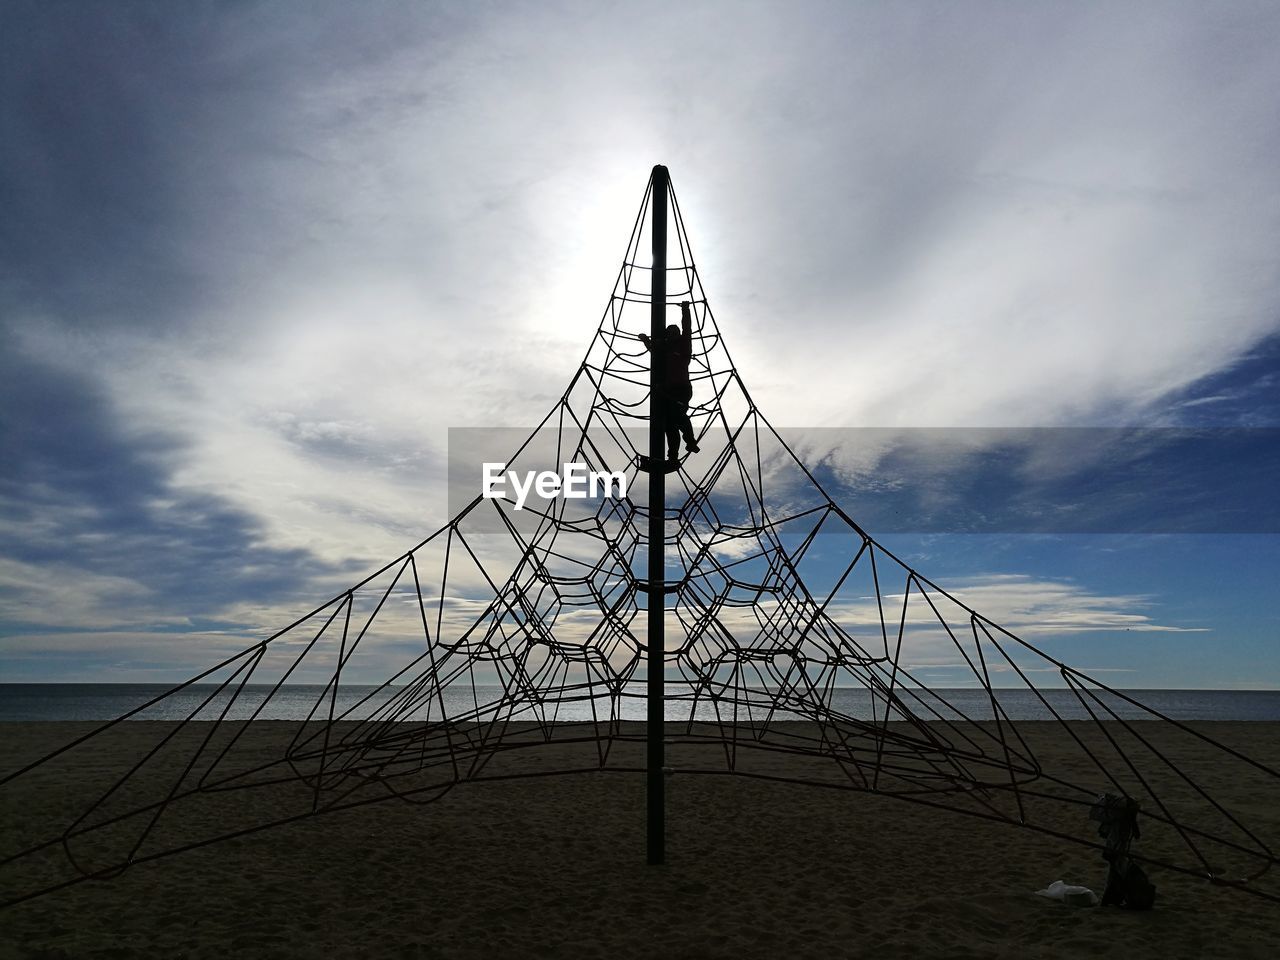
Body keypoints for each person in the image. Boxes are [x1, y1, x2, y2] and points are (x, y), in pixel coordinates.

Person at [639, 300, 700, 460]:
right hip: (667, 390)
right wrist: (646, 340)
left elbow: (687, 326)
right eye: (670, 333)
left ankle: (691, 441)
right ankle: (672, 455)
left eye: (675, 332)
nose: (673, 334)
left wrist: (685, 309)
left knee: (678, 415)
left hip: (682, 389)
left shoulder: (684, 344)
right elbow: (654, 350)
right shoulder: (665, 349)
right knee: (668, 424)